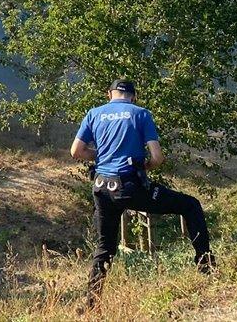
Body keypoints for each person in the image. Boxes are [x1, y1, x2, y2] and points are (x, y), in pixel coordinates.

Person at [70, 79, 213, 304]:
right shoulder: (141, 114)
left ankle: (91, 302)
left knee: (105, 246)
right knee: (190, 205)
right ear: (134, 96)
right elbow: (157, 157)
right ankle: (206, 267)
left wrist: (102, 157)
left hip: (101, 187)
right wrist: (145, 166)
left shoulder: (94, 113)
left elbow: (76, 151)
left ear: (110, 94)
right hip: (129, 186)